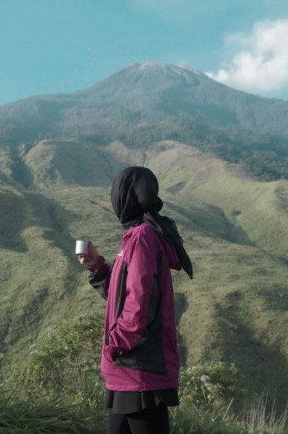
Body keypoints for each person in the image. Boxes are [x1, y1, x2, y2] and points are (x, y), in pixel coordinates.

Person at [78, 166, 194, 434]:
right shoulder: (137, 236)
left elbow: (139, 302)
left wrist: (115, 344)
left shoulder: (143, 237)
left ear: (125, 197)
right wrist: (96, 266)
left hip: (140, 369)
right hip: (128, 371)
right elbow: (122, 295)